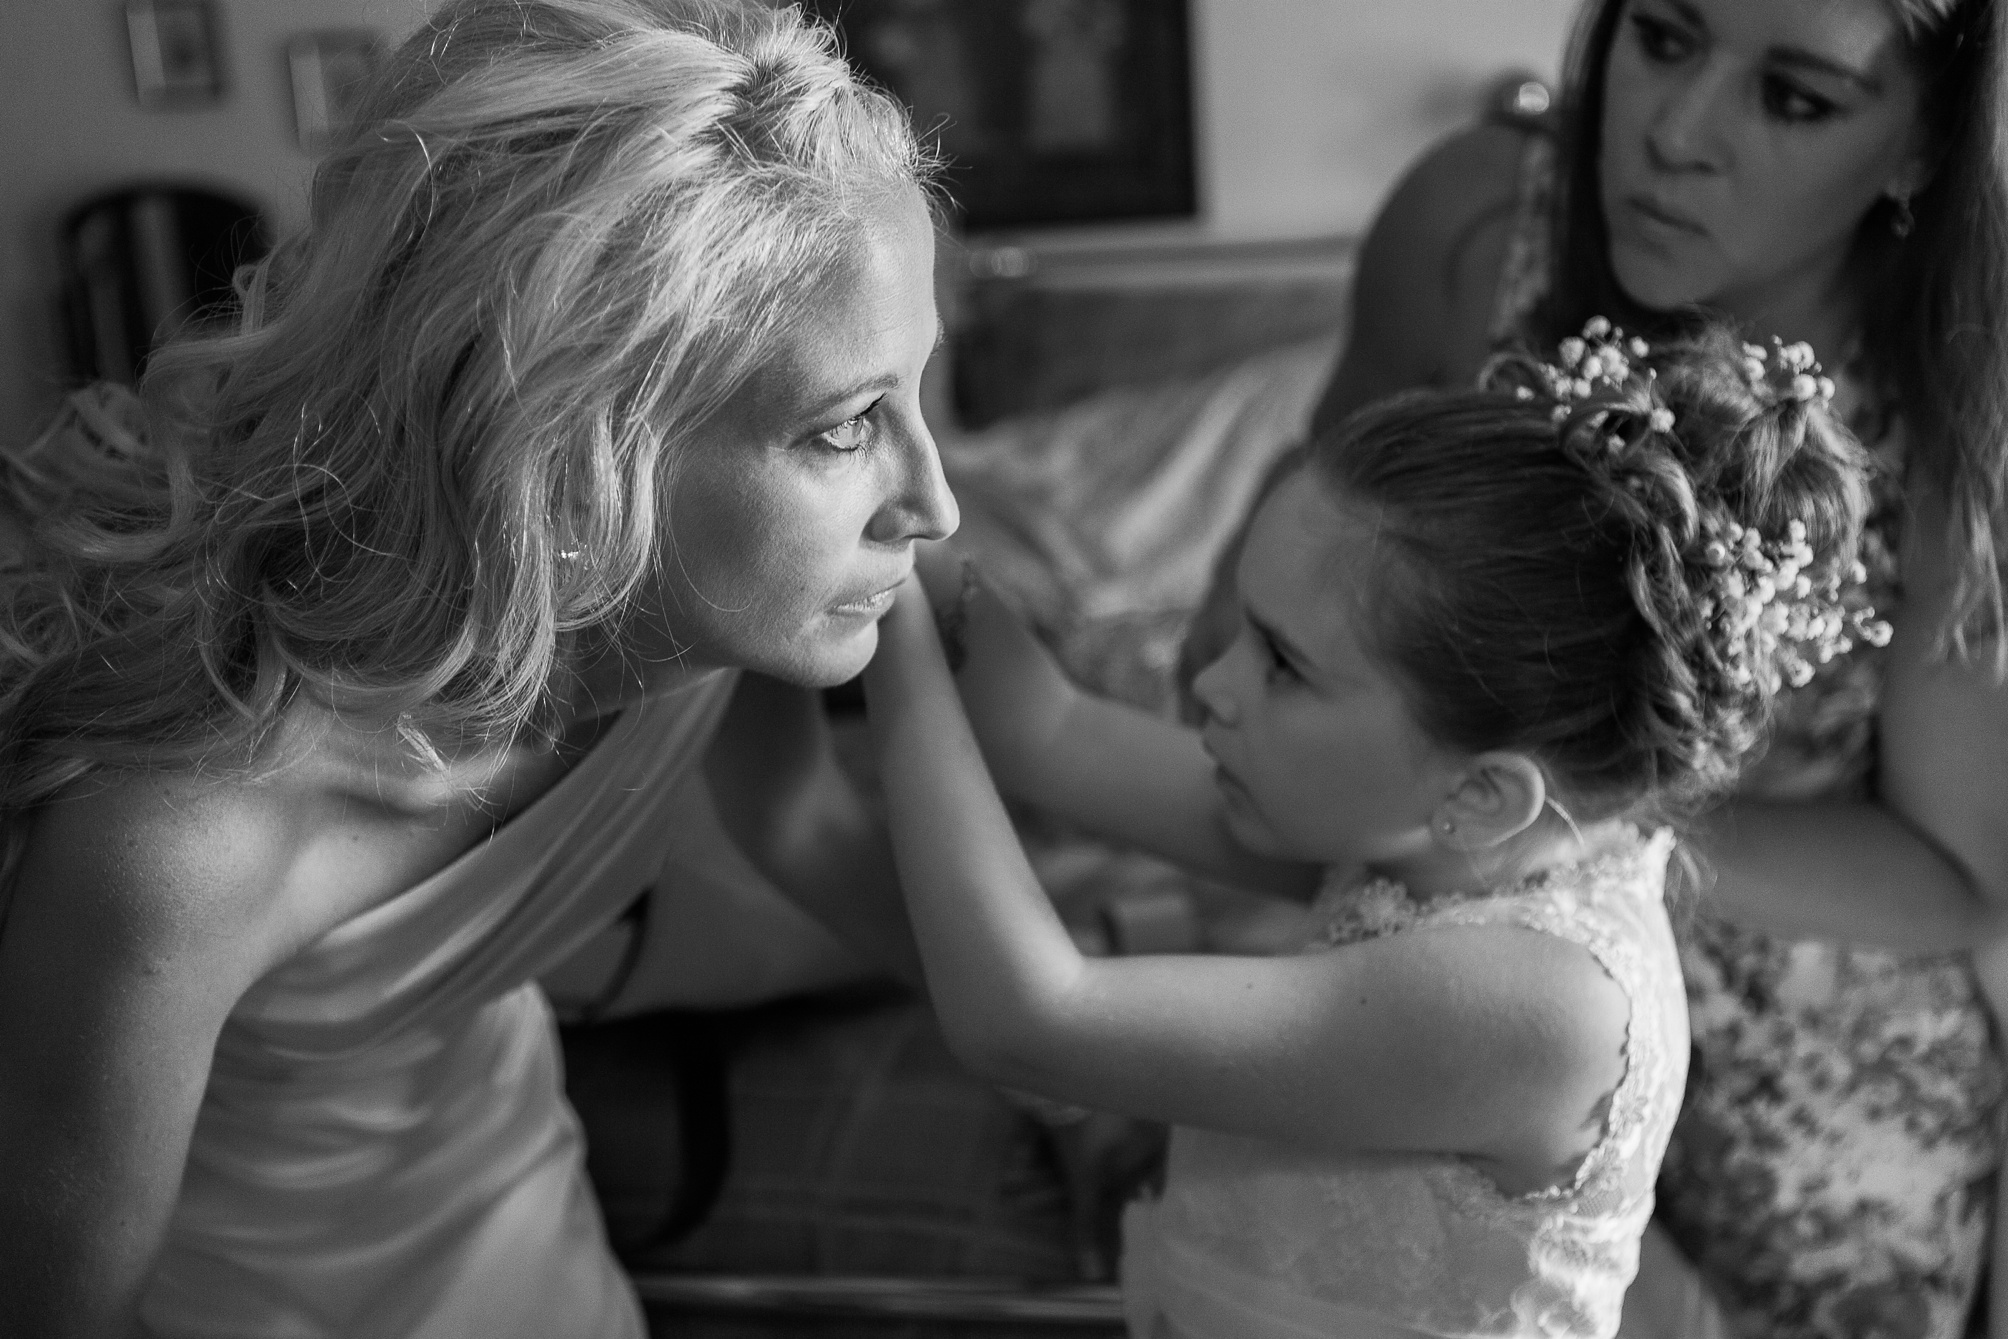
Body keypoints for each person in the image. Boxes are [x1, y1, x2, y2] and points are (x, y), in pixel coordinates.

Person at [0, 2, 958, 1335]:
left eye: (921, 390)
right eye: (851, 424)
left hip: (519, 1218)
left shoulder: (692, 629)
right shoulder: (182, 843)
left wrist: (1057, 1054)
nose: (936, 499)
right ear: (573, 456)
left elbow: (802, 823)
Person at [1179, 1, 2008, 1332]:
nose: (1675, 135)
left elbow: (1960, 875)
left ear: (1924, 146)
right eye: (1666, 40)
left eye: (1795, 99)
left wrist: (1571, 817)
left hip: (1807, 1092)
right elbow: (1269, 585)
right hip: (1453, 968)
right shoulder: (1467, 232)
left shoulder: (1965, 386)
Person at [860, 324, 1875, 1338]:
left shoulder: (1543, 1010)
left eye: (1282, 665)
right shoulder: (1444, 829)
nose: (1210, 685)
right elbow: (1054, 731)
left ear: (1483, 792)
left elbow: (1029, 1021)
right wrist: (893, 524)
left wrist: (892, 651)